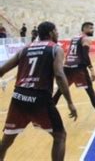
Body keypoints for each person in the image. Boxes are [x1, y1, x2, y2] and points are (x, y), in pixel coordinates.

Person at [0, 21, 78, 160]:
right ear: (51, 33)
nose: (58, 33)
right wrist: (70, 102)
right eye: (56, 30)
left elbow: (1, 70)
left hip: (19, 97)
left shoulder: (25, 48)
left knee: (7, 140)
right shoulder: (56, 49)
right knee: (60, 136)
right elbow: (59, 75)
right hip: (40, 98)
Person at [52, 22, 95, 126]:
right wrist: (91, 69)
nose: (92, 30)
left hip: (67, 67)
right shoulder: (86, 39)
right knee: (90, 92)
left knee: (59, 92)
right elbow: (85, 56)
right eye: (91, 28)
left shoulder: (75, 37)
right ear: (85, 29)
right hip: (79, 69)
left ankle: (47, 116)